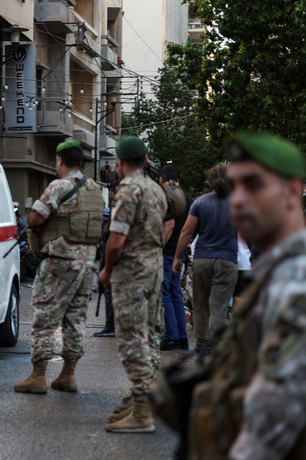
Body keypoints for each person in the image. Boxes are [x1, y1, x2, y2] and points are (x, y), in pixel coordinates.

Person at [186, 132, 306, 459]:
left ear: (293, 190)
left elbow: (276, 421)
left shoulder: (295, 284)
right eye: (235, 186)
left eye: (253, 185)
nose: (238, 200)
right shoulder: (275, 271)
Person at [14, 140, 104, 394]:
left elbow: (35, 218)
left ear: (60, 161)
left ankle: (38, 376)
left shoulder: (58, 186)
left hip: (59, 262)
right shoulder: (95, 189)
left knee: (45, 316)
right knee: (75, 318)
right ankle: (68, 375)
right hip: (87, 264)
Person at [98, 136, 167, 433]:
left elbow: (116, 241)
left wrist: (107, 270)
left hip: (133, 273)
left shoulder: (128, 189)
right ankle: (143, 399)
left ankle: (141, 412)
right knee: (150, 336)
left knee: (131, 339)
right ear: (145, 159)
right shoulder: (156, 189)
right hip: (154, 269)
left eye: (116, 163)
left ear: (122, 163)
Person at [172, 164, 238, 355]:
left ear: (211, 181)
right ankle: (214, 348)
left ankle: (201, 344)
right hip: (227, 261)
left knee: (200, 305)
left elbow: (187, 232)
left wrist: (178, 256)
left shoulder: (200, 203)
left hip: (202, 260)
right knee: (219, 306)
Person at [159, 165, 193, 351]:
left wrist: (158, 247)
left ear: (161, 180)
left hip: (166, 253)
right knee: (176, 294)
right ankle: (181, 337)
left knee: (164, 294)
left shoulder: (167, 198)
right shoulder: (187, 199)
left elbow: (169, 225)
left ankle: (170, 336)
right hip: (179, 253)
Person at [94, 182, 119, 338]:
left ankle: (111, 325)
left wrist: (107, 267)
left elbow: (113, 235)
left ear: (111, 193)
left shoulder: (117, 208)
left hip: (113, 254)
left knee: (109, 290)